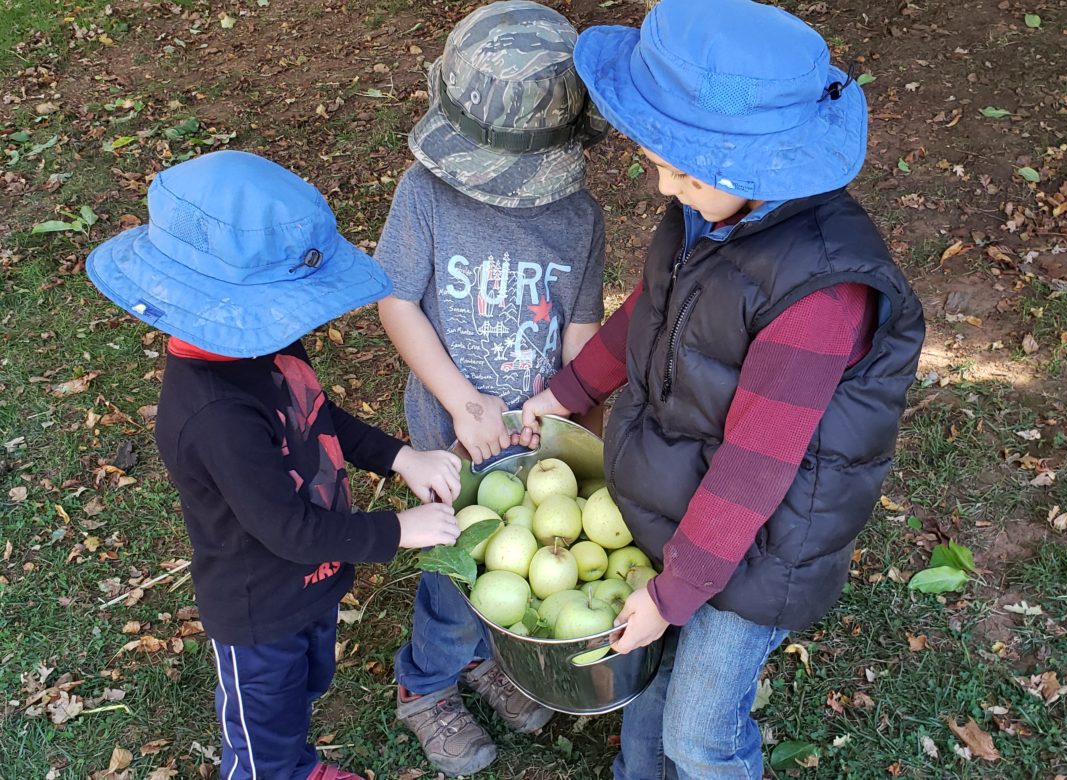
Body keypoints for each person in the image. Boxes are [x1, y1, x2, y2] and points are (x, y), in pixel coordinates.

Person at [518, 0, 927, 776]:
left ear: (759, 170)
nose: (666, 188)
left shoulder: (819, 294)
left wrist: (677, 593)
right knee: (648, 688)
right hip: (685, 504)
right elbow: (652, 307)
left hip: (765, 547)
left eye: (684, 171)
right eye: (660, 162)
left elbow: (757, 468)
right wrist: (568, 392)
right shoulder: (712, 218)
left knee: (698, 732)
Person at [86, 150, 462, 780]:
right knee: (263, 730)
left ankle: (297, 765)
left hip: (311, 582)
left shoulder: (262, 340)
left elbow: (316, 414)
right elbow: (287, 529)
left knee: (304, 688)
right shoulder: (215, 417)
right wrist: (400, 530)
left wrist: (400, 456)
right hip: (258, 608)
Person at [372, 1, 609, 774]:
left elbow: (579, 326)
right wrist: (460, 400)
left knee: (519, 567)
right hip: (452, 436)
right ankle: (427, 685)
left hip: (534, 442)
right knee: (461, 570)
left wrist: (567, 405)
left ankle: (487, 660)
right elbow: (397, 299)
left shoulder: (579, 216)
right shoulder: (427, 194)